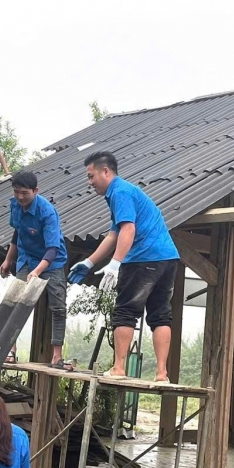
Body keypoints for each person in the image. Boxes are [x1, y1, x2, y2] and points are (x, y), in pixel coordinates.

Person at [68, 151, 180, 383]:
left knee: (125, 312)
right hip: (167, 258)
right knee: (160, 314)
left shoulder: (119, 192)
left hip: (143, 258)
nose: (90, 183)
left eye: (91, 176)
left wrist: (115, 263)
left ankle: (119, 368)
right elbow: (113, 234)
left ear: (105, 171)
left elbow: (128, 229)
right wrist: (90, 261)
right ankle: (162, 374)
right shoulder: (125, 192)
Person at [0, 170, 70, 369]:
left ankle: (57, 356)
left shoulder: (47, 212)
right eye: (16, 192)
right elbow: (17, 232)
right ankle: (10, 351)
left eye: (25, 193)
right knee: (16, 302)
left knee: (58, 307)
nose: (20, 197)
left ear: (35, 191)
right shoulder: (15, 205)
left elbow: (52, 249)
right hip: (26, 258)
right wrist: (8, 259)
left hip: (52, 261)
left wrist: (38, 271)